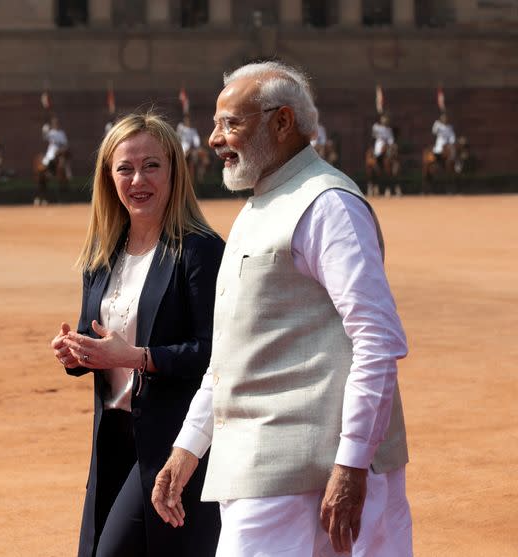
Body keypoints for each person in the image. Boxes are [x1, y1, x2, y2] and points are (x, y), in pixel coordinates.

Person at [152, 61, 412, 556]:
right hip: (263, 472)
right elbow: (234, 353)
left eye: (231, 123)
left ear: (282, 122)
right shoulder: (262, 205)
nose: (213, 139)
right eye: (216, 123)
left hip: (321, 481)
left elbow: (377, 340)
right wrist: (188, 448)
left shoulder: (328, 204)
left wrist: (352, 465)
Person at [51, 113, 224, 557]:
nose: (137, 179)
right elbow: (101, 340)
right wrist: (76, 354)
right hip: (112, 434)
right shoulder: (101, 254)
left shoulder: (199, 250)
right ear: (108, 178)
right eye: (124, 168)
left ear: (174, 171)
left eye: (151, 166)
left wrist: (136, 357)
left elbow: (217, 354)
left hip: (172, 440)